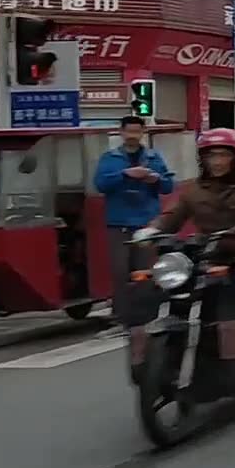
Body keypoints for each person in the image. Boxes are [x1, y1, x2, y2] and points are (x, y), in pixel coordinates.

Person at [139, 128, 235, 392]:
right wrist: (152, 229)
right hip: (204, 254)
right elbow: (172, 215)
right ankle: (160, 364)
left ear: (234, 157)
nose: (217, 161)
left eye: (223, 155)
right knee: (160, 289)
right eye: (211, 155)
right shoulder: (192, 190)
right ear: (202, 159)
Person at [94, 115, 174, 333]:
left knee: (145, 272)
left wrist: (155, 179)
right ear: (121, 132)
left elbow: (168, 186)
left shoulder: (153, 157)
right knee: (120, 271)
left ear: (143, 133)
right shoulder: (110, 158)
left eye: (137, 132)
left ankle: (147, 317)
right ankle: (121, 318)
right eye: (128, 131)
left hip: (146, 222)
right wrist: (125, 174)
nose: (132, 136)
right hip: (118, 222)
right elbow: (100, 184)